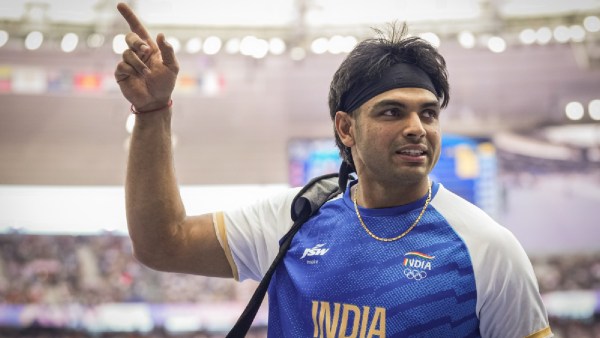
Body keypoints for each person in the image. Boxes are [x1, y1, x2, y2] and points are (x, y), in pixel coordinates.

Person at [114, 2, 552, 337]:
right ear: (346, 128)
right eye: (392, 112)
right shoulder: (295, 218)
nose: (417, 128)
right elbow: (161, 243)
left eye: (429, 113)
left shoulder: (489, 249)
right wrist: (152, 112)